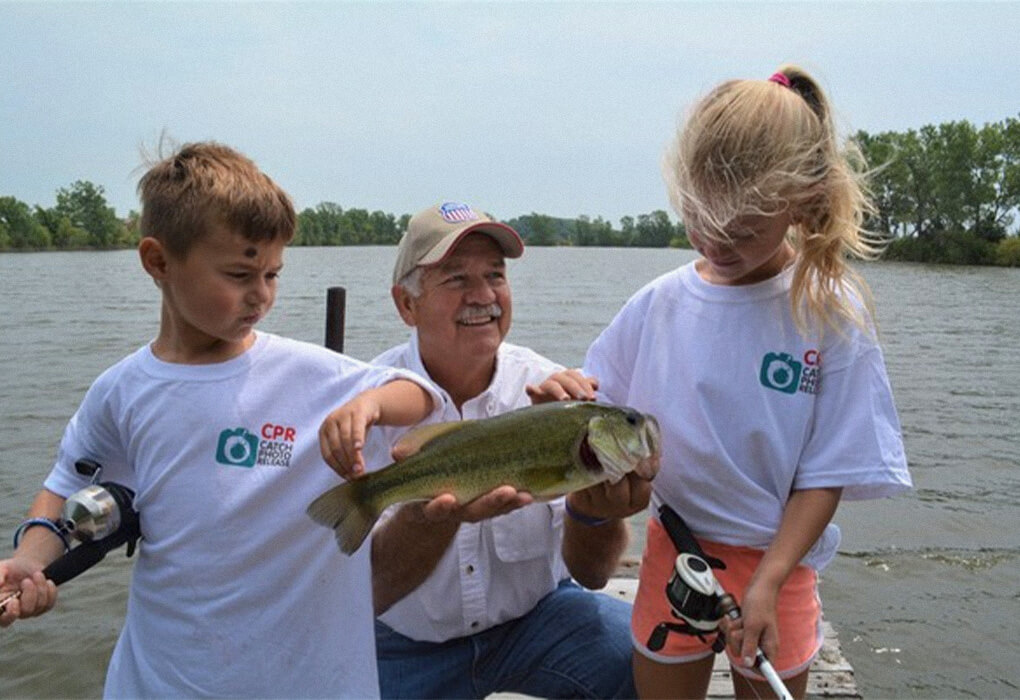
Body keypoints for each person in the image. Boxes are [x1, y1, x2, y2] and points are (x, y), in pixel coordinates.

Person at [0, 142, 439, 698]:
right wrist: (28, 563)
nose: (261, 296)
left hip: (314, 682)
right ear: (158, 262)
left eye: (273, 275)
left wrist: (369, 406)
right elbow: (64, 489)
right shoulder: (121, 392)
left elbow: (421, 396)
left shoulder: (310, 374)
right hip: (158, 682)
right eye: (239, 274)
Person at [542, 66, 912, 699]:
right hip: (673, 552)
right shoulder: (657, 305)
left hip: (779, 565)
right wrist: (563, 393)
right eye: (695, 217)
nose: (713, 241)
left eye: (740, 230)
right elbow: (596, 407)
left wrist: (769, 580)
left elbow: (828, 472)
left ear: (800, 200)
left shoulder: (830, 310)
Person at [364, 201, 653, 699]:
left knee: (641, 660)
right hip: (406, 646)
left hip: (534, 623)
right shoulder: (367, 404)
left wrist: (594, 513)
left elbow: (593, 573)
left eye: (495, 275)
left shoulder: (553, 395)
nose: (483, 296)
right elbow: (371, 592)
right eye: (455, 279)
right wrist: (433, 518)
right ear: (406, 304)